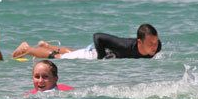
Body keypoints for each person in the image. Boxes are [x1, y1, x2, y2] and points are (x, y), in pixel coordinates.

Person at [12, 23, 162, 60]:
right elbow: (98, 36)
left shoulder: (156, 47)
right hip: (98, 51)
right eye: (150, 44)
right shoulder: (125, 45)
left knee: (74, 52)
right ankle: (29, 49)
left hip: (99, 50)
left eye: (155, 42)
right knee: (59, 59)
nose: (154, 47)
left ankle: (46, 45)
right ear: (139, 42)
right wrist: (101, 59)